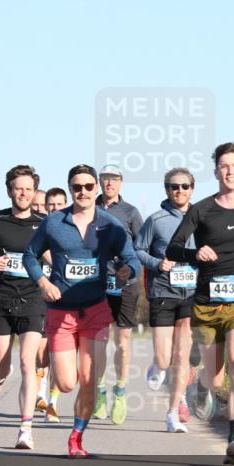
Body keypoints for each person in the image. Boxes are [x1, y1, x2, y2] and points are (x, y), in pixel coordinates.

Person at [24, 165, 140, 458]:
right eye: (77, 187)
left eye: (89, 186)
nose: (83, 191)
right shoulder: (53, 223)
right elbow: (30, 255)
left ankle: (76, 438)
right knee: (66, 383)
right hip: (61, 313)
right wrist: (42, 282)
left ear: (96, 188)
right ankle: (61, 373)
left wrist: (128, 270)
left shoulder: (110, 225)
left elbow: (131, 258)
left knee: (89, 380)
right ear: (70, 189)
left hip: (96, 311)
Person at [166, 143, 234, 465]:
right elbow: (173, 248)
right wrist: (194, 253)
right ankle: (201, 385)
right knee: (215, 379)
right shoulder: (201, 210)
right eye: (224, 166)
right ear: (216, 172)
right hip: (206, 306)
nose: (230, 171)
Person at [0, 165, 47, 450]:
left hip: (33, 299)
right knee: (3, 366)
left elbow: (53, 254)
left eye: (28, 189)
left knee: (28, 362)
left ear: (34, 192)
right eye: (18, 188)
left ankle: (25, 429)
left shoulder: (45, 223)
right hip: (2, 298)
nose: (23, 193)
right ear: (9, 191)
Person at [135, 167, 198, 433]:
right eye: (174, 186)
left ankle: (173, 412)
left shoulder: (202, 218)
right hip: (162, 292)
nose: (179, 191)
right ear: (166, 190)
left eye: (184, 186)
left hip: (192, 293)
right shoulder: (156, 220)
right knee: (164, 358)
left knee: (182, 355)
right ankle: (157, 365)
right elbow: (138, 249)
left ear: (192, 189)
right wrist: (157, 263)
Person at [92, 164, 143, 426]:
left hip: (125, 283)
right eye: (105, 179)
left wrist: (130, 267)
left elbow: (141, 248)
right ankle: (100, 391)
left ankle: (120, 390)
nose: (109, 183)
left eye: (114, 179)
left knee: (122, 341)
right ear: (99, 182)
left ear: (121, 182)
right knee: (99, 340)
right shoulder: (89, 208)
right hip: (97, 283)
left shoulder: (131, 213)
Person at [37, 187, 69, 423]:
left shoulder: (71, 229)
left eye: (59, 204)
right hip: (39, 298)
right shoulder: (38, 230)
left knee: (57, 353)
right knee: (41, 353)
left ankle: (53, 404)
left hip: (64, 299)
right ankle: (40, 392)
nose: (54, 208)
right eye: (50, 205)